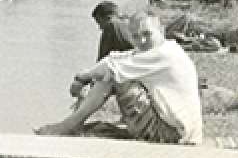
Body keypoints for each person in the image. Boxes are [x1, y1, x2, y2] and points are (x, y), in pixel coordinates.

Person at [37, 12, 203, 144]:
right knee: (116, 70)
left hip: (172, 134)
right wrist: (88, 76)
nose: (142, 40)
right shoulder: (167, 48)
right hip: (181, 131)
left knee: (115, 76)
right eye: (136, 36)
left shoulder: (163, 55)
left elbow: (111, 67)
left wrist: (82, 78)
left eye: (147, 34)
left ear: (161, 31)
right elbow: (118, 57)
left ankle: (69, 125)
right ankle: (73, 123)